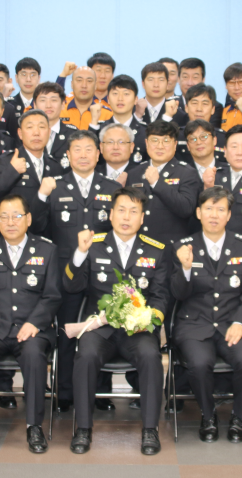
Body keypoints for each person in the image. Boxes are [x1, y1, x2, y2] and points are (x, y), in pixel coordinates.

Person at [65, 187, 171, 455]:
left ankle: (150, 430)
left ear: (142, 218)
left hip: (138, 331)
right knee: (85, 355)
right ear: (111, 215)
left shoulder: (156, 250)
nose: (126, 217)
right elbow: (71, 285)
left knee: (151, 356)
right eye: (121, 210)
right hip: (100, 329)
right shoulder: (93, 244)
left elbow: (160, 296)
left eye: (133, 211)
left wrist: (149, 319)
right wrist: (80, 253)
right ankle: (83, 428)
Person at [0, 195, 62, 454]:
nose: (10, 222)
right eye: (4, 217)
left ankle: (34, 426)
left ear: (28, 219)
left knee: (33, 355)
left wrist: (35, 322)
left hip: (32, 328)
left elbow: (52, 295)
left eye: (17, 216)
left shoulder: (47, 250)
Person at [36, 130, 121, 410]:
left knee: (101, 330)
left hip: (102, 274)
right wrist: (41, 195)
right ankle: (65, 393)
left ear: (98, 154)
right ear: (68, 155)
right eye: (77, 149)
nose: (83, 155)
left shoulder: (112, 188)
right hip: (65, 273)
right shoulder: (55, 186)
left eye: (89, 149)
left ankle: (100, 393)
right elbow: (39, 228)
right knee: (67, 332)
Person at [172, 187, 242, 443]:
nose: (214, 215)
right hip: (195, 325)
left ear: (229, 215)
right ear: (198, 213)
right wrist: (185, 269)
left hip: (232, 324)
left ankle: (239, 417)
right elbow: (177, 294)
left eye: (220, 209)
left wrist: (240, 322)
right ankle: (208, 415)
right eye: (209, 209)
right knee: (199, 363)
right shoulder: (182, 247)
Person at [124, 120, 202, 244]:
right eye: (154, 140)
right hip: (139, 246)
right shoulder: (135, 173)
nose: (160, 146)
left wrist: (157, 183)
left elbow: (186, 209)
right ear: (146, 143)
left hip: (170, 248)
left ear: (175, 144)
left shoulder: (187, 173)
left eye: (166, 141)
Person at [0, 109, 64, 227]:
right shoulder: (7, 161)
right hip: (12, 231)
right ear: (20, 133)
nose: (36, 133)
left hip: (45, 235)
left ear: (48, 132)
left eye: (41, 127)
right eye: (30, 127)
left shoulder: (55, 166)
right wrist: (12, 171)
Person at [96, 74, 147, 164]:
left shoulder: (146, 133)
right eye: (115, 94)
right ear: (108, 99)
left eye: (126, 94)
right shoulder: (99, 131)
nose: (120, 98)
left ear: (136, 99)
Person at [34, 81, 80, 166]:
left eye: (54, 100)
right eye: (43, 100)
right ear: (34, 105)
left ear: (63, 104)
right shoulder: (26, 134)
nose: (48, 105)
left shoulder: (74, 134)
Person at [179, 58, 224, 126]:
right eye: (185, 77)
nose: (190, 83)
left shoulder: (216, 106)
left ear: (203, 79)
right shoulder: (171, 105)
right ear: (178, 79)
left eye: (195, 77)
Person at [137, 62, 185, 126]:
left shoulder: (179, 114)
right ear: (143, 84)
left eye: (161, 80)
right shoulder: (133, 110)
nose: (156, 85)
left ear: (167, 84)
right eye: (151, 80)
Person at [221, 63, 242, 131]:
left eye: (241, 82)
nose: (237, 88)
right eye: (231, 83)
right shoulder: (223, 112)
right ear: (226, 86)